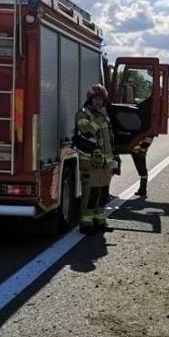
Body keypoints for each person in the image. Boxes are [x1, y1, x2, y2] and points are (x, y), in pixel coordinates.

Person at [73, 83, 116, 234]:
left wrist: (114, 159)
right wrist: (98, 119)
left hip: (104, 163)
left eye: (101, 99)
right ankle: (86, 224)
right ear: (90, 99)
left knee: (102, 194)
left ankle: (100, 222)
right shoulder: (83, 114)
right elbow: (87, 133)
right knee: (90, 194)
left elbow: (109, 139)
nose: (99, 102)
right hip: (89, 162)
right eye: (96, 99)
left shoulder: (103, 116)